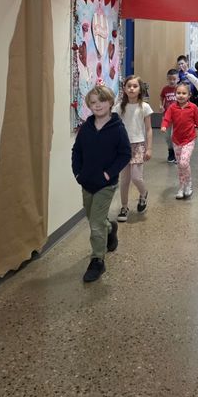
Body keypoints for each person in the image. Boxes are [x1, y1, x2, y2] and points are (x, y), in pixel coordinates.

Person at [71, 85, 131, 282]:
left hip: (106, 184)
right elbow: (76, 151)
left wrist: (108, 174)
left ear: (111, 103)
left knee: (95, 224)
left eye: (102, 101)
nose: (97, 106)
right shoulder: (86, 128)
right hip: (86, 181)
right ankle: (110, 228)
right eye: (93, 102)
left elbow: (125, 154)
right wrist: (78, 173)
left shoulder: (118, 129)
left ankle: (97, 260)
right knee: (93, 219)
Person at [161, 83, 198, 198]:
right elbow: (167, 118)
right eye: (178, 93)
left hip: (189, 139)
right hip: (176, 140)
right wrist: (164, 125)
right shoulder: (172, 107)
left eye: (184, 93)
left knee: (184, 162)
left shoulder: (193, 108)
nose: (181, 95)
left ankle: (189, 184)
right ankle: (182, 186)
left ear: (189, 95)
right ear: (175, 94)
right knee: (180, 166)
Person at [116, 76, 153, 222]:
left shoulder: (144, 107)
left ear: (139, 89)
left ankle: (143, 193)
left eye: (135, 86)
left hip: (138, 145)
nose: (131, 88)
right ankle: (124, 207)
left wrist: (149, 148)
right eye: (128, 86)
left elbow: (149, 129)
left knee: (136, 177)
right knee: (124, 180)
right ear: (124, 89)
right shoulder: (119, 107)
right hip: (122, 146)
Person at [160, 69, 179, 163]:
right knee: (167, 136)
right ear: (167, 79)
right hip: (167, 116)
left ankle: (176, 153)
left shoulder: (180, 89)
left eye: (174, 79)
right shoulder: (165, 89)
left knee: (174, 135)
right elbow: (162, 97)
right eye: (170, 79)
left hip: (177, 117)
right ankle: (170, 151)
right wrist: (161, 105)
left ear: (178, 79)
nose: (172, 81)